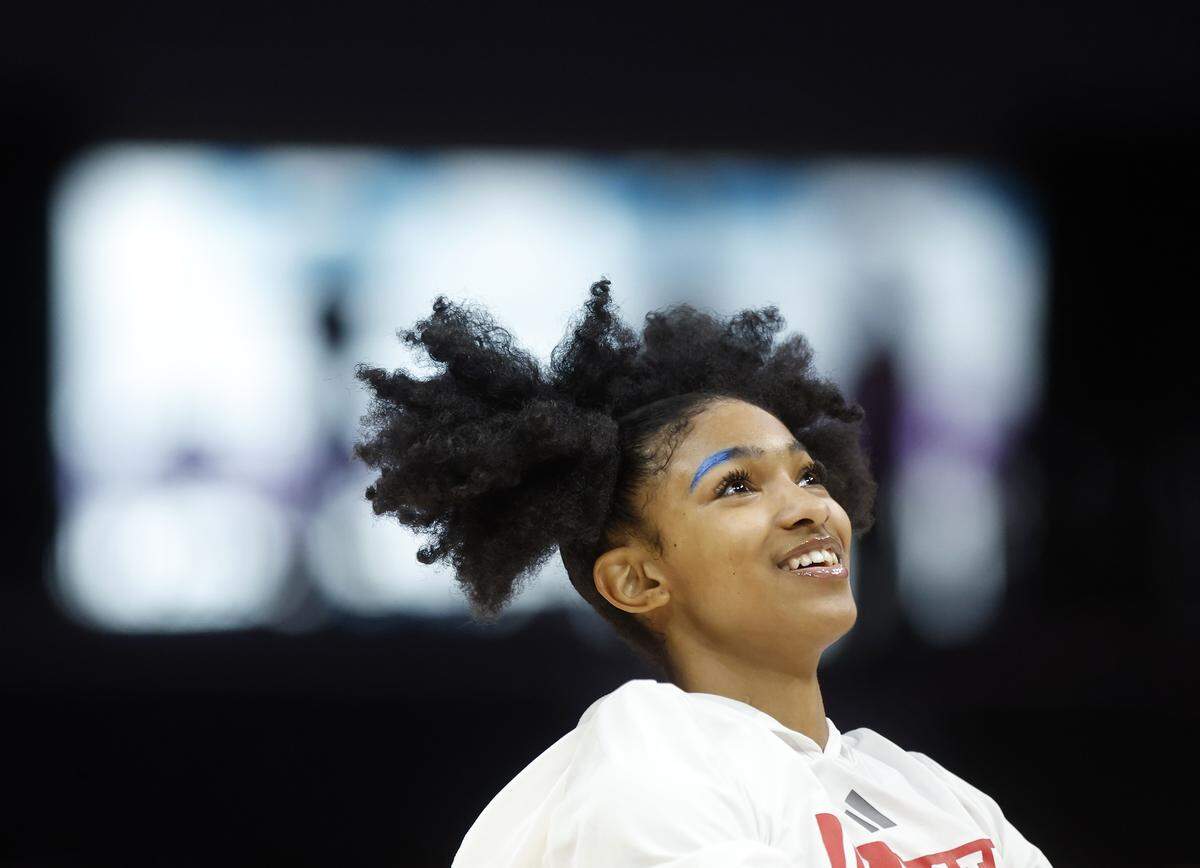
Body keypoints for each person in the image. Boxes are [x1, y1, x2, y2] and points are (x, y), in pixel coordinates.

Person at [353, 279, 1051, 867]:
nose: (810, 508)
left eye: (809, 475)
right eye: (736, 486)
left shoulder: (922, 787)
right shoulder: (646, 749)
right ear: (637, 581)